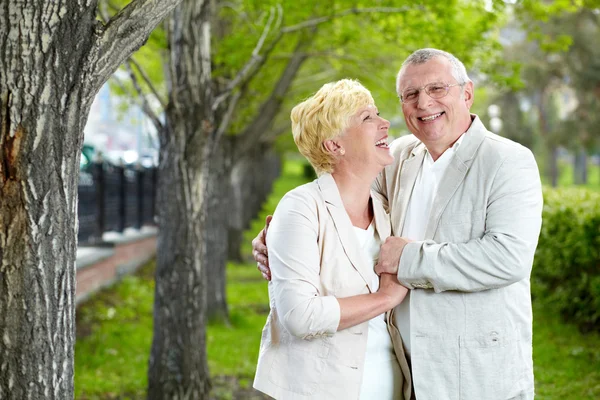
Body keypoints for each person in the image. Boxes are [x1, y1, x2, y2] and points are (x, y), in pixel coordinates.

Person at [253, 49, 543, 400]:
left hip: (475, 376)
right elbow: (339, 195)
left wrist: (406, 261)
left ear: (466, 93)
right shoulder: (401, 157)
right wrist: (275, 238)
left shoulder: (507, 161)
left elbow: (507, 258)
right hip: (405, 374)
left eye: (437, 89)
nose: (423, 103)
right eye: (410, 94)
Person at [253, 79, 412, 400]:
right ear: (334, 145)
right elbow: (299, 316)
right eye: (368, 118)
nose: (384, 123)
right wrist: (385, 298)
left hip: (389, 385)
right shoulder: (301, 208)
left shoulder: (385, 208)